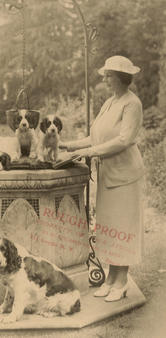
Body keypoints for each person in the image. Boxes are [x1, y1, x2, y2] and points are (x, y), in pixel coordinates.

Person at [60, 55, 145, 302]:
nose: (105, 79)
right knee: (110, 227)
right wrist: (71, 146)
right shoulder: (110, 102)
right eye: (106, 75)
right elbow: (95, 136)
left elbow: (124, 140)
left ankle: (122, 281)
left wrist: (89, 152)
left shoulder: (132, 104)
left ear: (120, 77)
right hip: (108, 174)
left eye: (109, 75)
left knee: (124, 227)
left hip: (126, 175)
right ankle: (110, 278)